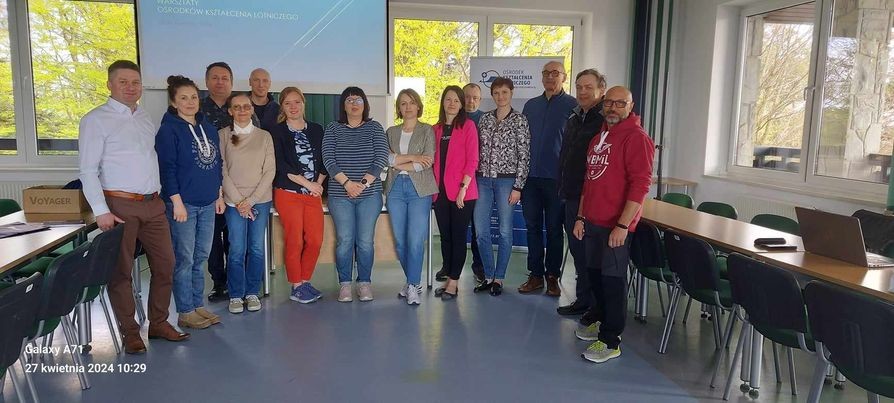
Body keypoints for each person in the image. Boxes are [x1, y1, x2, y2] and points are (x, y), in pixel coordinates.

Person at [78, 60, 188, 354]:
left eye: (135, 82)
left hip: (153, 203)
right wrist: (101, 210)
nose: (130, 87)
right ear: (109, 85)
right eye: (123, 82)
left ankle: (159, 323)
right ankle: (129, 332)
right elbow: (87, 170)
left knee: (166, 265)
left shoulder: (144, 116)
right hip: (119, 205)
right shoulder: (95, 120)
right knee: (121, 271)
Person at [572, 86, 654, 363]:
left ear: (631, 106)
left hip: (616, 226)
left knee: (612, 281)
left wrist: (623, 225)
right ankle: (599, 318)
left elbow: (641, 185)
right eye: (609, 103)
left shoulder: (637, 138)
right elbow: (588, 181)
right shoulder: (599, 138)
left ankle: (611, 340)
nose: (613, 108)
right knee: (594, 275)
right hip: (592, 221)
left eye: (620, 103)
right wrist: (581, 217)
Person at [155, 75, 225, 330]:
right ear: (174, 102)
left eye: (194, 97)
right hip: (183, 205)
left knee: (200, 257)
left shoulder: (208, 128)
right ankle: (185, 311)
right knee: (184, 259)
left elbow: (217, 164)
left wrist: (218, 195)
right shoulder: (168, 130)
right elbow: (167, 169)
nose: (190, 102)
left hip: (208, 203)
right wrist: (177, 202)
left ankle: (197, 305)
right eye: (183, 98)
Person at [322, 86, 389, 303]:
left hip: (369, 194)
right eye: (349, 100)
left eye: (358, 100)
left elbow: (381, 157)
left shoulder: (375, 128)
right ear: (343, 105)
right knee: (344, 240)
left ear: (365, 104)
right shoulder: (333, 128)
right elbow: (328, 160)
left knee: (365, 241)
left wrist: (361, 184)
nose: (354, 103)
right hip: (340, 194)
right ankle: (344, 284)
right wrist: (347, 184)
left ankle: (364, 282)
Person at [519, 61, 577, 297]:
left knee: (554, 228)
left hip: (557, 180)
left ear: (564, 77)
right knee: (532, 227)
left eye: (555, 73)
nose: (550, 77)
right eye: (546, 73)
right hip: (530, 179)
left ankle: (552, 276)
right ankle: (535, 275)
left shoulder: (573, 106)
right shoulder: (531, 105)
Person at [219, 92, 275, 314]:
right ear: (230, 111)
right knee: (237, 249)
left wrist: (250, 201)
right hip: (234, 203)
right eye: (237, 107)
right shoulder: (222, 135)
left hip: (259, 200)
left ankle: (252, 292)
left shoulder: (264, 136)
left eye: (246, 106)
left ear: (252, 109)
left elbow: (269, 171)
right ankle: (235, 294)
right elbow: (222, 170)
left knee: (256, 248)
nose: (242, 110)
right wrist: (240, 201)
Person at [556, 69, 607, 317]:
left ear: (601, 89)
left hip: (592, 198)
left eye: (588, 87)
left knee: (591, 255)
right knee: (578, 251)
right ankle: (583, 300)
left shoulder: (605, 120)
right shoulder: (575, 117)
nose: (583, 92)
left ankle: (595, 307)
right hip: (571, 194)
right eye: (579, 87)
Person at [473, 77, 530, 297]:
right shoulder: (485, 119)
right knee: (481, 231)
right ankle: (488, 276)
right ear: (492, 95)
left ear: (511, 93)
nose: (500, 97)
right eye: (496, 93)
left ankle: (499, 278)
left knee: (505, 231)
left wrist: (518, 186)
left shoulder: (520, 120)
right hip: (483, 180)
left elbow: (524, 155)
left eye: (504, 92)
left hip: (507, 181)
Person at [270, 87, 327, 304]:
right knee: (294, 239)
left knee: (315, 240)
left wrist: (318, 184)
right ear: (282, 107)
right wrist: (308, 184)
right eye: (288, 103)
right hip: (288, 193)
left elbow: (325, 159)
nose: (293, 107)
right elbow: (281, 165)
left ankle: (305, 280)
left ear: (304, 103)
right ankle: (296, 285)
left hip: (313, 193)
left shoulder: (317, 129)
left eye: (297, 102)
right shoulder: (277, 132)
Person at [385, 88, 437, 305]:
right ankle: (412, 282)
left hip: (419, 189)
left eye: (412, 102)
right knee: (400, 242)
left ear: (418, 106)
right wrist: (413, 157)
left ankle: (413, 285)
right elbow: (386, 159)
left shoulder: (427, 130)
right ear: (399, 107)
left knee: (415, 240)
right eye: (403, 103)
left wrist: (399, 162)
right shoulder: (391, 132)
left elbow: (427, 162)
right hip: (395, 189)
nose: (408, 107)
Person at [431, 85, 478, 300]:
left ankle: (454, 282)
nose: (452, 104)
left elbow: (472, 160)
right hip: (439, 192)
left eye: (456, 100)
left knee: (458, 237)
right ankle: (449, 275)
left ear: (462, 105)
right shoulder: (435, 129)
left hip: (463, 193)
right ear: (443, 102)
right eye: (448, 99)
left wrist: (462, 189)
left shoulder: (468, 126)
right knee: (446, 237)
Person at [202, 61, 234, 303]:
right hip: (209, 183)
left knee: (235, 237)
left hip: (238, 183)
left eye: (224, 78)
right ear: (207, 81)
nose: (220, 82)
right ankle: (218, 283)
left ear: (231, 82)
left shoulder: (241, 106)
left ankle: (235, 282)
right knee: (212, 238)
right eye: (215, 77)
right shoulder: (197, 109)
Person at [464, 83, 486, 284]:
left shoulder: (486, 120)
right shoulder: (453, 118)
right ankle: (449, 266)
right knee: (456, 227)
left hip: (479, 181)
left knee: (478, 227)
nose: (471, 101)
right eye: (467, 97)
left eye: (475, 97)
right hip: (457, 181)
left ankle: (479, 266)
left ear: (480, 100)